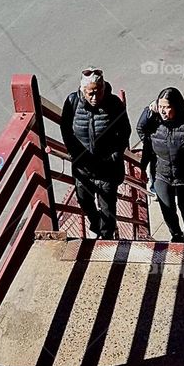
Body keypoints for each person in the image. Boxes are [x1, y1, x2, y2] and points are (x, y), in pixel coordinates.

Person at [60, 68, 131, 240]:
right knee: (84, 201)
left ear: (104, 88)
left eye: (98, 92)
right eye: (90, 93)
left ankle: (107, 239)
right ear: (82, 90)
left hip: (107, 169)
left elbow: (125, 131)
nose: (94, 97)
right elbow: (66, 128)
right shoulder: (72, 102)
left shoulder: (114, 104)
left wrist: (114, 154)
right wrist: (73, 152)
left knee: (108, 208)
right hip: (83, 167)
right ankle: (95, 224)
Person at [138, 87, 184, 243]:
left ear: (177, 106)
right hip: (161, 174)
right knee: (167, 209)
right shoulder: (154, 124)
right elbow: (141, 128)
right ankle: (176, 235)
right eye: (161, 107)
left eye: (167, 107)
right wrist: (149, 109)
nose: (163, 111)